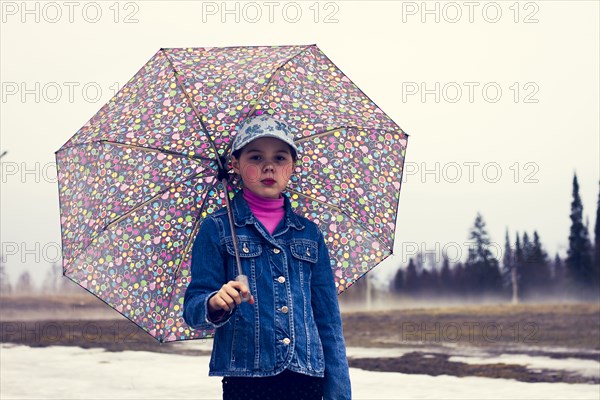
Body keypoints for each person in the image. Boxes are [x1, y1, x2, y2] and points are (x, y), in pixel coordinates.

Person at [183, 114, 352, 400]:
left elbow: (328, 321)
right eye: (256, 157)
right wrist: (214, 303)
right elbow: (193, 309)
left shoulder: (310, 234)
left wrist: (339, 393)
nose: (269, 165)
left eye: (280, 157)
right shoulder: (217, 228)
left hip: (306, 377)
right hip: (246, 380)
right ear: (235, 165)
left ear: (292, 167)